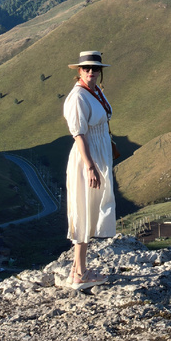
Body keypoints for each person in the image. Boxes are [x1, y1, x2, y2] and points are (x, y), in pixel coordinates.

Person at [62, 49, 116, 289]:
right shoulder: (78, 97)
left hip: (98, 154)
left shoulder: (94, 92)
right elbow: (79, 135)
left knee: (91, 208)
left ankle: (76, 270)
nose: (92, 72)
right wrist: (90, 166)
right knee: (83, 209)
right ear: (79, 71)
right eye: (87, 69)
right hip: (88, 158)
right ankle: (80, 273)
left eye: (96, 68)